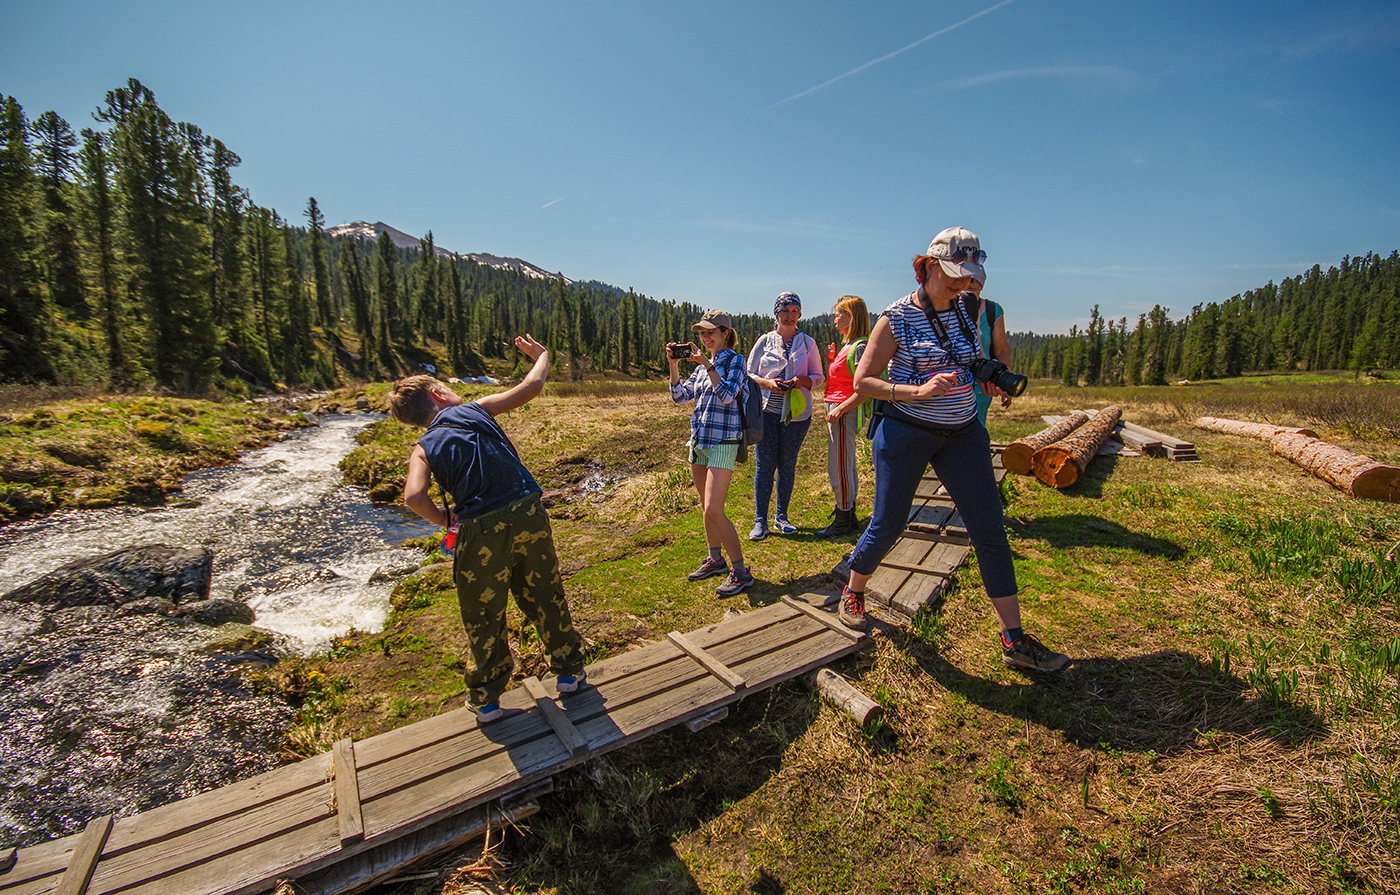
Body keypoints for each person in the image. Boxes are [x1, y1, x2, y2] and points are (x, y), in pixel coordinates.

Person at [842, 227, 1070, 673]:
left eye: (968, 278)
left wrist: (986, 378)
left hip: (963, 432)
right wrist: (918, 391)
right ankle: (854, 588)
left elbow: (969, 358)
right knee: (888, 524)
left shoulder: (970, 306)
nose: (961, 286)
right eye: (952, 278)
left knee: (989, 529)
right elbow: (863, 382)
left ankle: (1015, 639)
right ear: (926, 267)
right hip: (905, 430)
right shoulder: (896, 317)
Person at [389, 334, 586, 723]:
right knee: (543, 590)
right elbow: (533, 385)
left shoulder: (423, 446)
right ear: (440, 395)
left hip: (479, 528)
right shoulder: (476, 409)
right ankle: (568, 672)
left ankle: (486, 698)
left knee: (483, 611)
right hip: (526, 508)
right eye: (448, 387)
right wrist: (543, 354)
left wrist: (447, 520)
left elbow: (413, 497)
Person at [668, 310, 755, 597]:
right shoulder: (701, 364)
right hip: (700, 440)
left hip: (724, 441)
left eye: (710, 333)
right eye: (702, 333)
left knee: (714, 510)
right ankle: (715, 559)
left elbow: (728, 394)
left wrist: (707, 365)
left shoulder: (735, 361)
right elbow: (680, 395)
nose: (705, 338)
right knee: (706, 507)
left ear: (725, 334)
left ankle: (741, 572)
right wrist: (674, 366)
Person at [745, 292, 824, 538]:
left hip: (797, 415)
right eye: (785, 311)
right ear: (776, 313)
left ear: (799, 314)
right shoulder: (764, 341)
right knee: (765, 465)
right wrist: (768, 384)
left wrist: (803, 380)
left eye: (794, 311)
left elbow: (819, 377)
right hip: (767, 412)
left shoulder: (808, 343)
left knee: (787, 465)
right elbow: (748, 375)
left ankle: (782, 517)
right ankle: (760, 520)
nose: (790, 316)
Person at [815, 295, 871, 538]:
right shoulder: (849, 345)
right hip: (838, 409)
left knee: (839, 465)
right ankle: (848, 512)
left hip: (843, 412)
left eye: (839, 314)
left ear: (852, 317)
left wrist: (841, 409)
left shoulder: (859, 347)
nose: (835, 318)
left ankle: (843, 516)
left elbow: (865, 386)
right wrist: (831, 360)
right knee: (843, 463)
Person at [968, 277, 1014, 427]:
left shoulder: (992, 311)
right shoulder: (943, 307)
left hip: (981, 387)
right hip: (949, 387)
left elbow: (1002, 350)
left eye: (975, 279)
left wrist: (1006, 384)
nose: (971, 283)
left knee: (976, 432)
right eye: (965, 278)